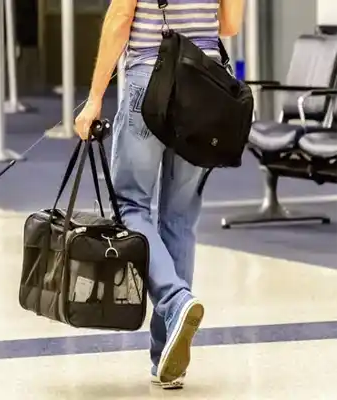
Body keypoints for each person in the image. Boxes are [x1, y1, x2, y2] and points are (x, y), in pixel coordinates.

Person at [74, 0, 245, 389]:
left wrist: (96, 97)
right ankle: (168, 356)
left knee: (129, 204)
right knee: (181, 216)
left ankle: (174, 301)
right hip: (205, 86)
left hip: (149, 79)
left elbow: (121, 17)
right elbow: (231, 24)